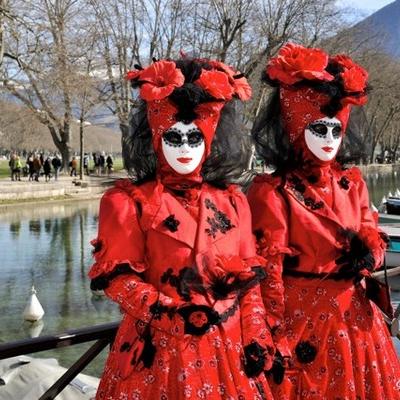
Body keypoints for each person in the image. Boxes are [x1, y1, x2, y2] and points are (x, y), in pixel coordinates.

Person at [89, 57, 274, 399]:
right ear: (157, 137)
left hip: (227, 356)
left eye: (195, 137)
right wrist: (173, 315)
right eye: (175, 137)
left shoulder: (233, 202)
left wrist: (256, 334)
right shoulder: (128, 202)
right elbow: (119, 281)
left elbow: (248, 284)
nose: (186, 147)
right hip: (158, 357)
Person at [247, 43, 400, 398]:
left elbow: (372, 233)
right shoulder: (273, 192)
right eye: (319, 130)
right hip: (302, 325)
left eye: (336, 130)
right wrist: (272, 334)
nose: (330, 140)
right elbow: (266, 275)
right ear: (296, 127)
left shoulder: (353, 183)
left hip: (356, 320)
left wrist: (370, 253)